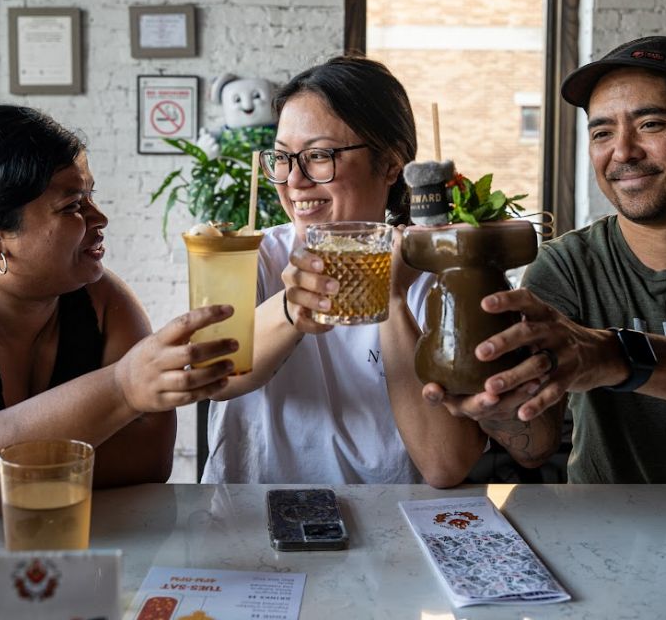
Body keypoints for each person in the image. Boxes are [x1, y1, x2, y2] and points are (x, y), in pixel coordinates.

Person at [0, 105, 236, 525]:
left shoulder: (102, 299)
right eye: (72, 205)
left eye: (90, 195)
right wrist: (122, 388)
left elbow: (149, 462)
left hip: (76, 553)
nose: (100, 218)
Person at [424, 35, 666, 483]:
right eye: (602, 132)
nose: (623, 152)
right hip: (601, 531)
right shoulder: (565, 265)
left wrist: (611, 354)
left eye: (650, 124)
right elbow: (536, 447)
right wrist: (498, 405)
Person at [201, 55, 485, 486]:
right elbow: (210, 377)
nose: (293, 181)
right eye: (282, 158)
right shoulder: (253, 255)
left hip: (390, 530)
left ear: (391, 165)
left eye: (318, 155)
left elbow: (445, 464)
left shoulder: (439, 276)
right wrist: (292, 310)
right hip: (251, 522)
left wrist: (391, 296)